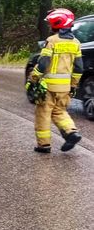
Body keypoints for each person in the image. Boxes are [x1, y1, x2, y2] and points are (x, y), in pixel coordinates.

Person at [26, 8, 83, 153]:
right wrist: (73, 85)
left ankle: (43, 145)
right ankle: (71, 132)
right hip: (65, 87)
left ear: (56, 25)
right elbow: (79, 68)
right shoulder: (76, 43)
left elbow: (43, 62)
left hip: (49, 87)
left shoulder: (51, 41)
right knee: (60, 111)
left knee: (43, 113)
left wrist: (33, 78)